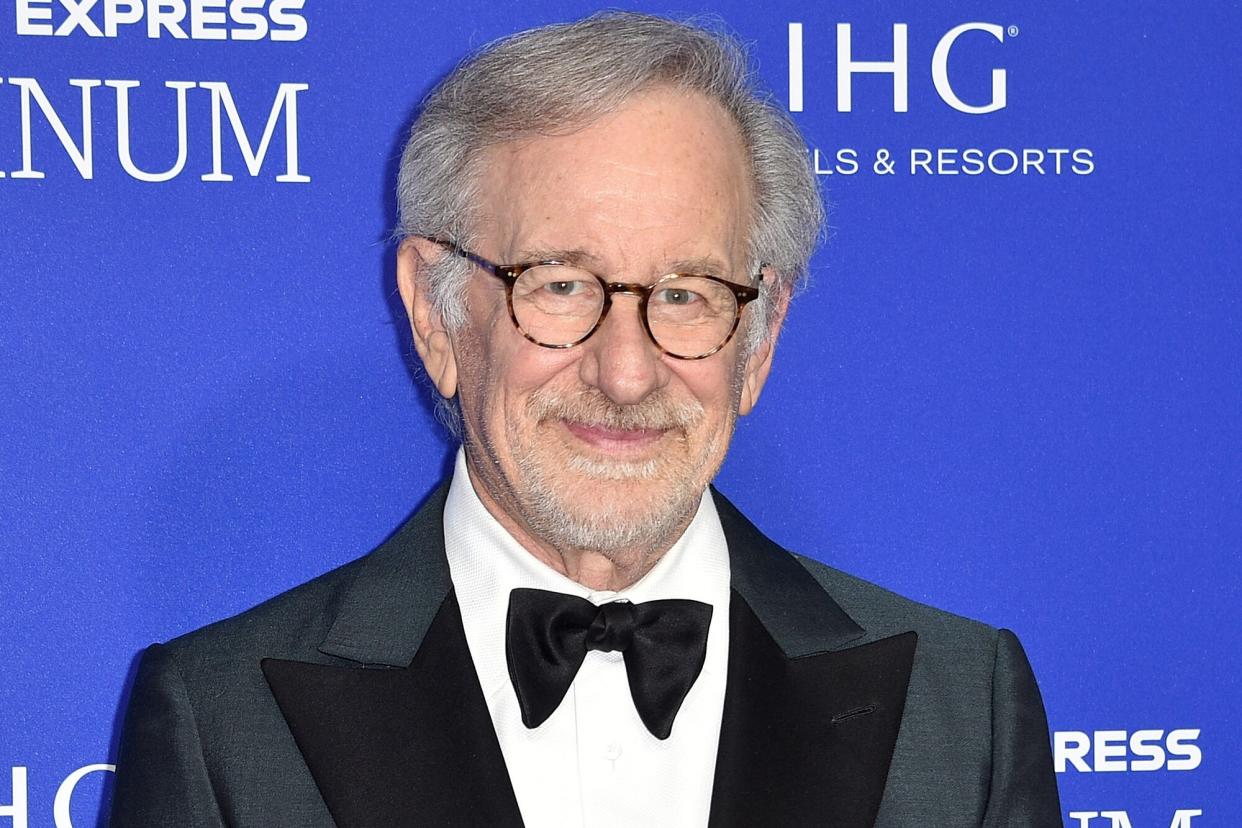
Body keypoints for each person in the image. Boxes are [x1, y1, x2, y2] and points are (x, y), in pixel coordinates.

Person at [110, 12, 1061, 828]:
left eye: (687, 294)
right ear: (436, 317)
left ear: (759, 339)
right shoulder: (221, 722)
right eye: (559, 286)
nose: (627, 369)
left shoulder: (963, 707)